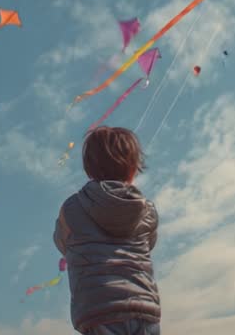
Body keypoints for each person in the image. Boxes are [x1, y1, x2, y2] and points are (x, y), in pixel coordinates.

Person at [54, 127, 160, 335]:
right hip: (143, 310)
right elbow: (150, 243)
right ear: (132, 169)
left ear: (89, 169)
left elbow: (61, 242)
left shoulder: (72, 208)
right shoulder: (146, 210)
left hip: (97, 311)